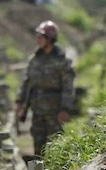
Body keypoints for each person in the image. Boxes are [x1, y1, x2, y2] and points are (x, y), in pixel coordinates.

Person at [15, 20, 76, 156]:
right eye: (37, 36)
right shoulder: (35, 59)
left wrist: (65, 109)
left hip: (54, 112)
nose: (38, 39)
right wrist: (20, 102)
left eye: (41, 36)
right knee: (38, 146)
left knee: (56, 144)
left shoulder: (62, 60)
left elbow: (68, 86)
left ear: (50, 39)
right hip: (37, 111)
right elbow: (27, 82)